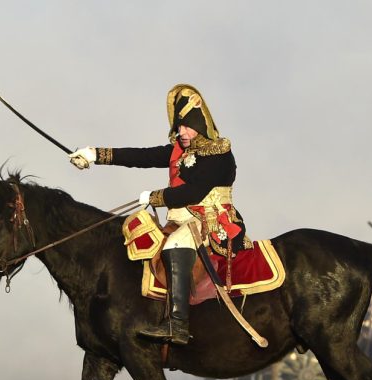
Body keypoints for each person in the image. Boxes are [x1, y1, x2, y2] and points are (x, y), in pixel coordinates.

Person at [69, 84, 248, 345]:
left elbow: (194, 192)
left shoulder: (219, 154)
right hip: (179, 219)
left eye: (187, 127)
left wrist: (155, 197)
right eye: (179, 127)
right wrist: (95, 155)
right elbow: (141, 156)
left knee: (174, 244)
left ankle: (178, 325)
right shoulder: (179, 150)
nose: (182, 132)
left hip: (208, 220)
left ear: (200, 124)